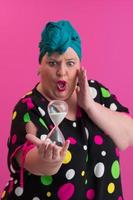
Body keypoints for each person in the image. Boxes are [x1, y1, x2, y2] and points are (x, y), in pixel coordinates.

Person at [1, 20, 133, 200]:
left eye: (70, 63)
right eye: (53, 63)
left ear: (80, 66)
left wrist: (90, 106)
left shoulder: (95, 93)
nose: (62, 72)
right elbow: (29, 159)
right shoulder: (28, 108)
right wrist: (48, 160)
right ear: (40, 66)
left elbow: (128, 136)